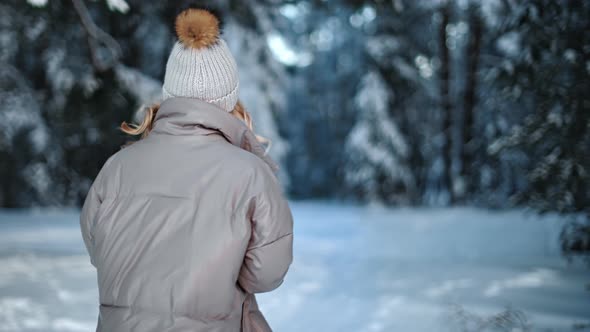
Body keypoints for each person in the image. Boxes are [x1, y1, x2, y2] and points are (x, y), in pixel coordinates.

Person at [79, 8, 294, 332]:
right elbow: (265, 274)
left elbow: (102, 253)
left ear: (170, 94)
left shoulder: (117, 167)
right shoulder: (249, 173)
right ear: (229, 100)